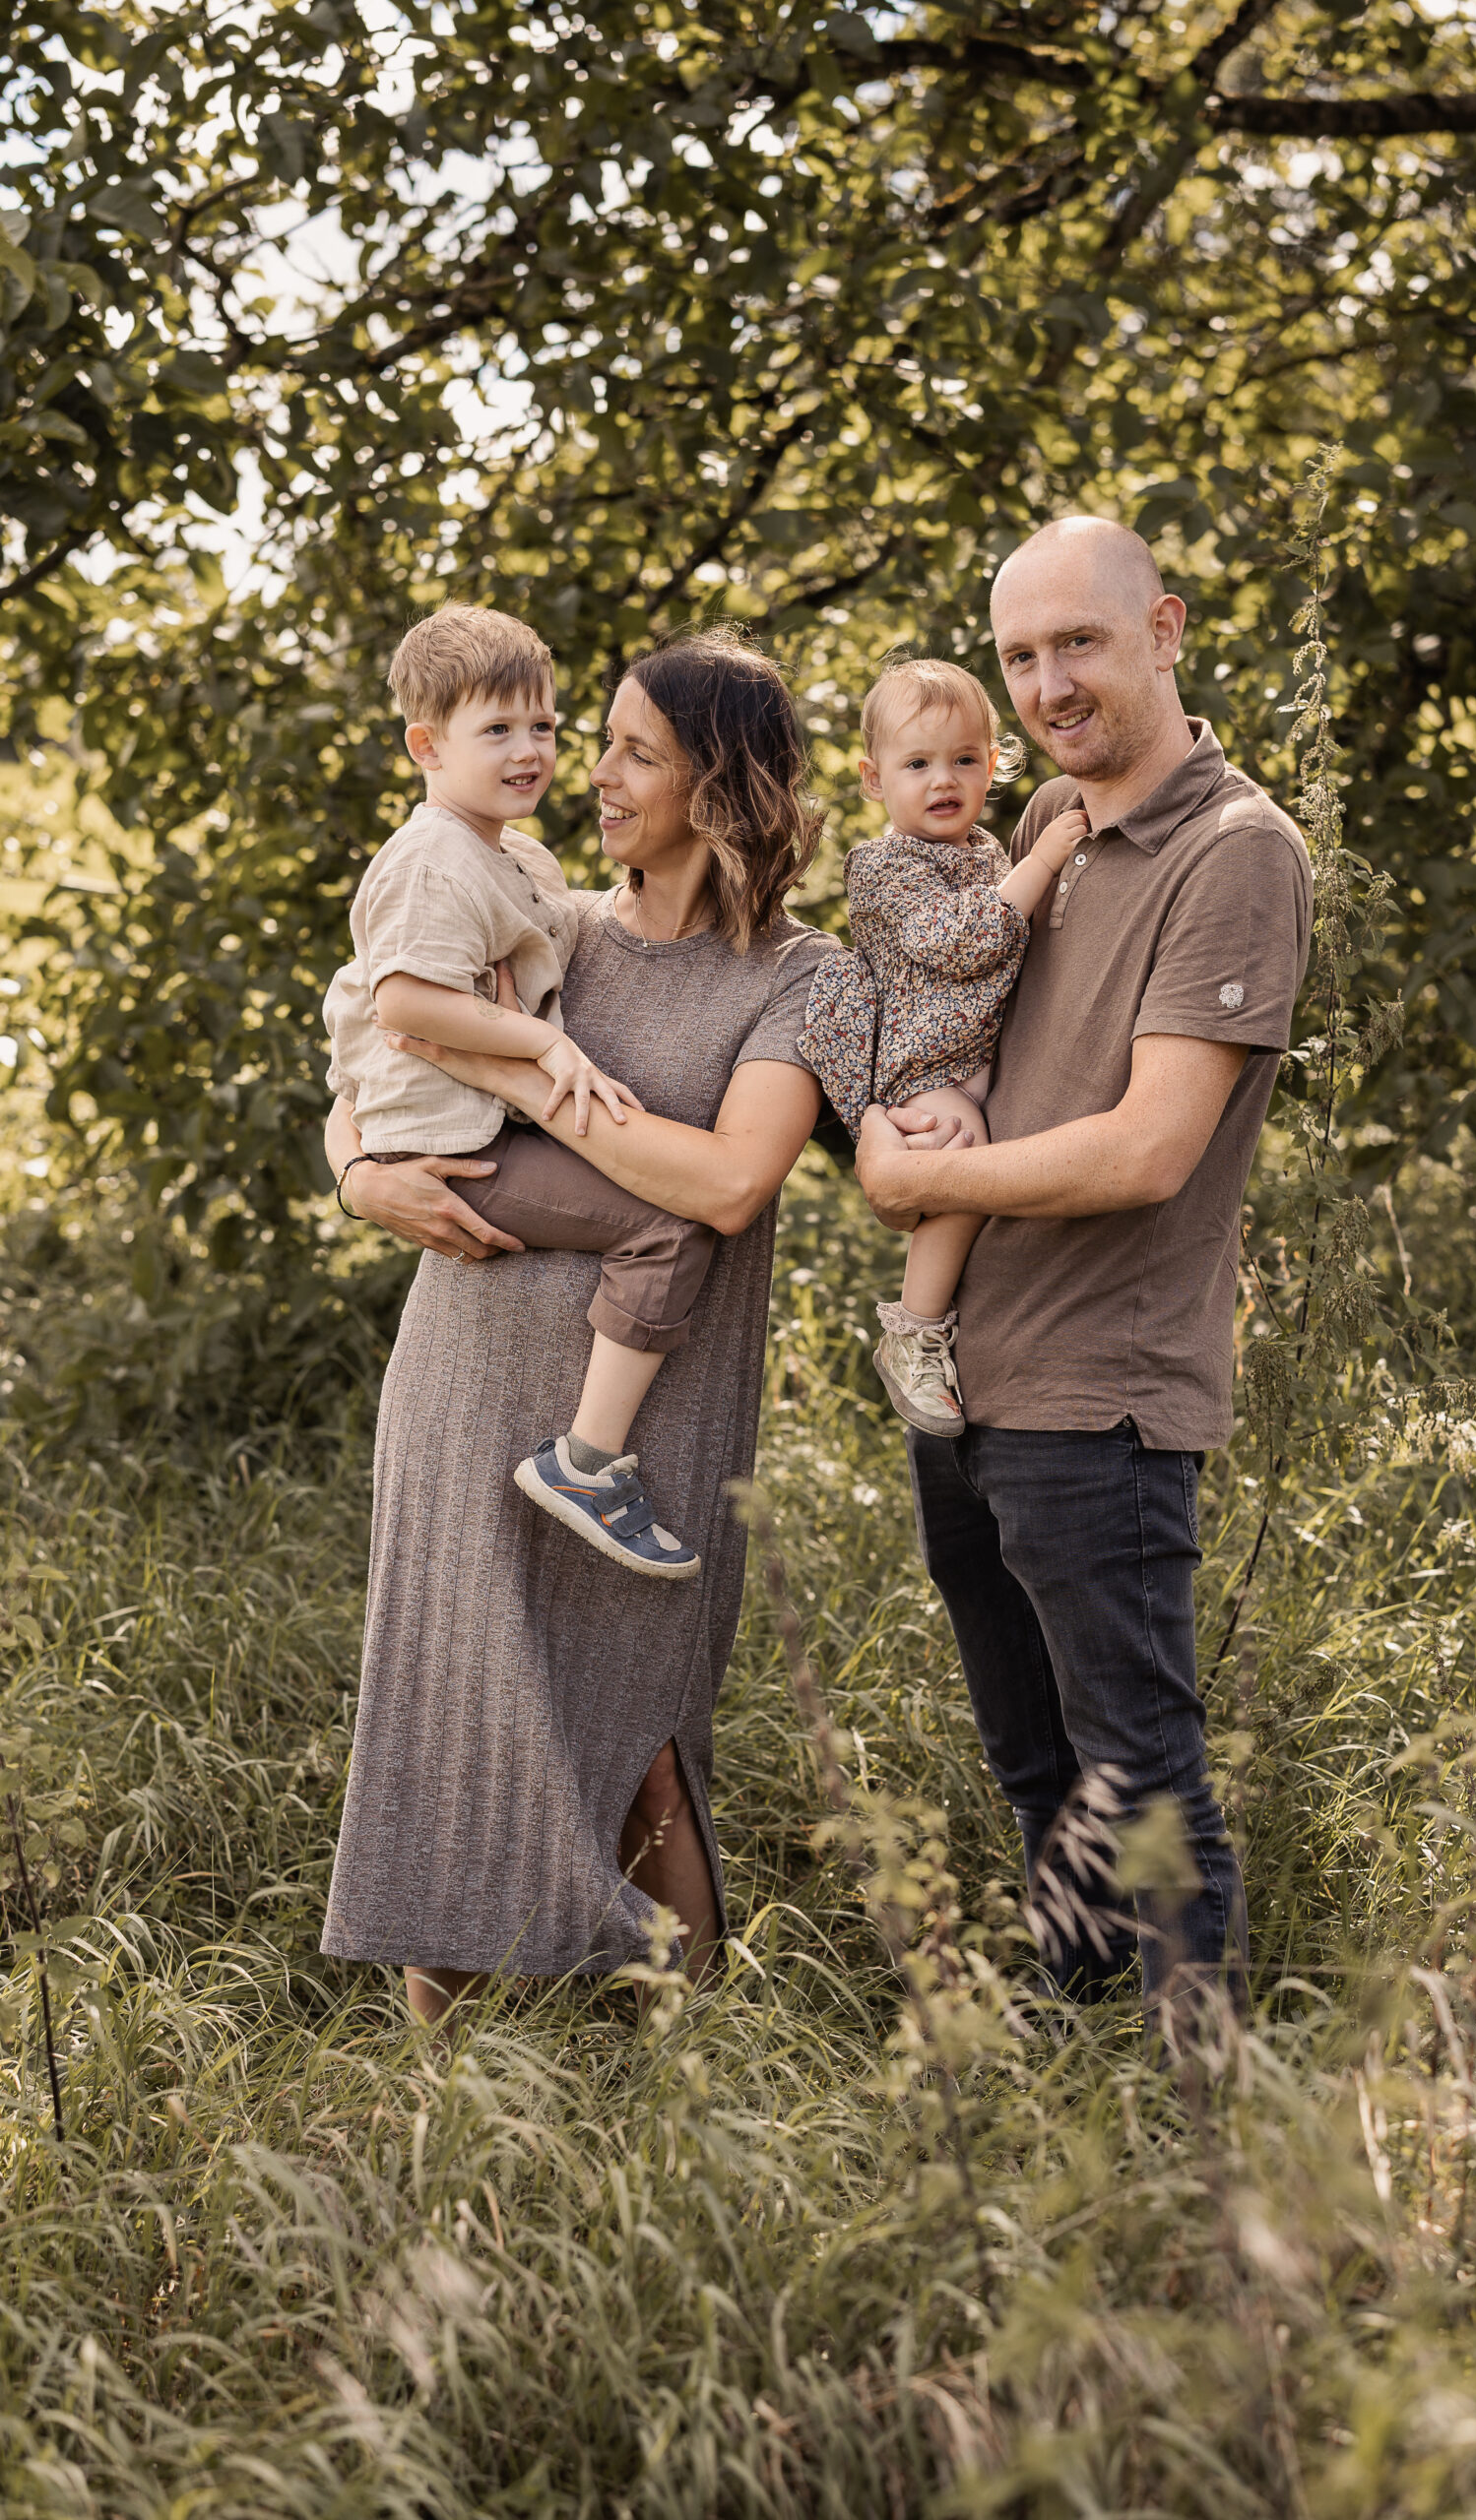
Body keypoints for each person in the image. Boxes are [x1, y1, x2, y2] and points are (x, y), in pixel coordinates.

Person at [320, 627, 834, 2023]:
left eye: (629, 751)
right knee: (454, 1702)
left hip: (648, 1412)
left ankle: (683, 2076)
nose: (590, 772)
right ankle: (446, 2106)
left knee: (642, 1742)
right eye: (591, 741)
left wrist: (550, 1088)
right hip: (465, 1366)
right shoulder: (552, 922)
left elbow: (727, 1184)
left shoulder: (800, 977)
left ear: (718, 787)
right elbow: (378, 1042)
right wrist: (361, 1172)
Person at [854, 517, 1314, 2014]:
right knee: (1038, 1772)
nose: (1048, 684)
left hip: (1098, 1398)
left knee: (1141, 1773)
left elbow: (1144, 1150)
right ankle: (1080, 2055)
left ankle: (1210, 2115)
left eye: (1080, 642)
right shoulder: (1032, 826)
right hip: (966, 1383)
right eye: (1020, 657)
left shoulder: (1231, 852)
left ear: (1164, 630)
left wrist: (923, 1177)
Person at [324, 601, 715, 1580]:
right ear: (427, 744)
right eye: (496, 729)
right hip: (456, 1152)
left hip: (478, 1131)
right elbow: (404, 998)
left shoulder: (506, 853)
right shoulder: (429, 858)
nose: (530, 749)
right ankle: (587, 1461)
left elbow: (568, 933)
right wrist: (539, 1042)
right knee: (668, 1224)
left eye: (542, 725)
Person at [798, 657, 1090, 1437]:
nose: (943, 780)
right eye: (917, 763)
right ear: (872, 777)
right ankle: (914, 1332)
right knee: (964, 1166)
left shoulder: (984, 852)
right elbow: (954, 941)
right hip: (928, 1066)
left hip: (981, 1054)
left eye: (965, 760)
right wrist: (1042, 863)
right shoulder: (883, 864)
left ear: (993, 766)